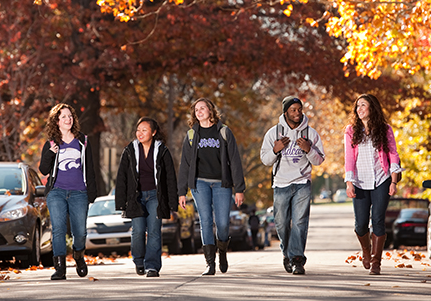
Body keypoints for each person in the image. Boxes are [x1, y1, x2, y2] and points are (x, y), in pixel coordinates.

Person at [178, 98, 246, 276]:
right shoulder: (192, 135)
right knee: (205, 221)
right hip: (199, 183)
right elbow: (184, 165)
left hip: (221, 184)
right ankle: (210, 263)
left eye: (203, 108)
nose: (199, 112)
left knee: (222, 223)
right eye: (196, 110)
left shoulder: (224, 132)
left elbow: (235, 161)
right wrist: (181, 191)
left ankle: (222, 250)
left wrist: (239, 188)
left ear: (211, 111)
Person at [260, 96, 325, 275]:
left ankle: (297, 259)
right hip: (280, 183)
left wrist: (308, 149)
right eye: (293, 110)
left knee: (299, 222)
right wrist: (275, 149)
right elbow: (265, 160)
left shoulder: (310, 134)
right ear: (286, 112)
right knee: (280, 223)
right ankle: (286, 253)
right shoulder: (274, 133)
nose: (297, 113)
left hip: (302, 182)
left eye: (299, 109)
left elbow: (319, 160)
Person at [344, 94, 401, 275]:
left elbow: (393, 154)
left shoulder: (385, 129)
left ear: (372, 108)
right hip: (360, 182)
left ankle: (376, 262)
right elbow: (349, 158)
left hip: (381, 179)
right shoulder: (351, 131)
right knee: (360, 224)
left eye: (363, 105)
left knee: (378, 220)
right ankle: (367, 251)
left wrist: (393, 180)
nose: (359, 109)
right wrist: (349, 182)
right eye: (357, 106)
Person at [39, 103, 97, 280]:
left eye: (70, 116)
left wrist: (91, 193)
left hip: (79, 192)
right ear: (56, 121)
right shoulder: (51, 143)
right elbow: (43, 169)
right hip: (56, 192)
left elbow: (90, 169)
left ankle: (78, 256)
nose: (68, 119)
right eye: (63, 116)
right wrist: (51, 152)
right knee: (58, 229)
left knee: (80, 233)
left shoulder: (83, 141)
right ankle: (60, 268)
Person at [115, 117, 178, 278]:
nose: (140, 133)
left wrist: (172, 202)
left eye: (144, 130)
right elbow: (121, 177)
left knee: (154, 231)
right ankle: (139, 261)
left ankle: (152, 266)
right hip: (136, 197)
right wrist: (121, 202)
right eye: (138, 130)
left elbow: (170, 178)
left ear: (153, 132)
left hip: (155, 196)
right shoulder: (129, 151)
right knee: (137, 231)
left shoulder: (162, 151)